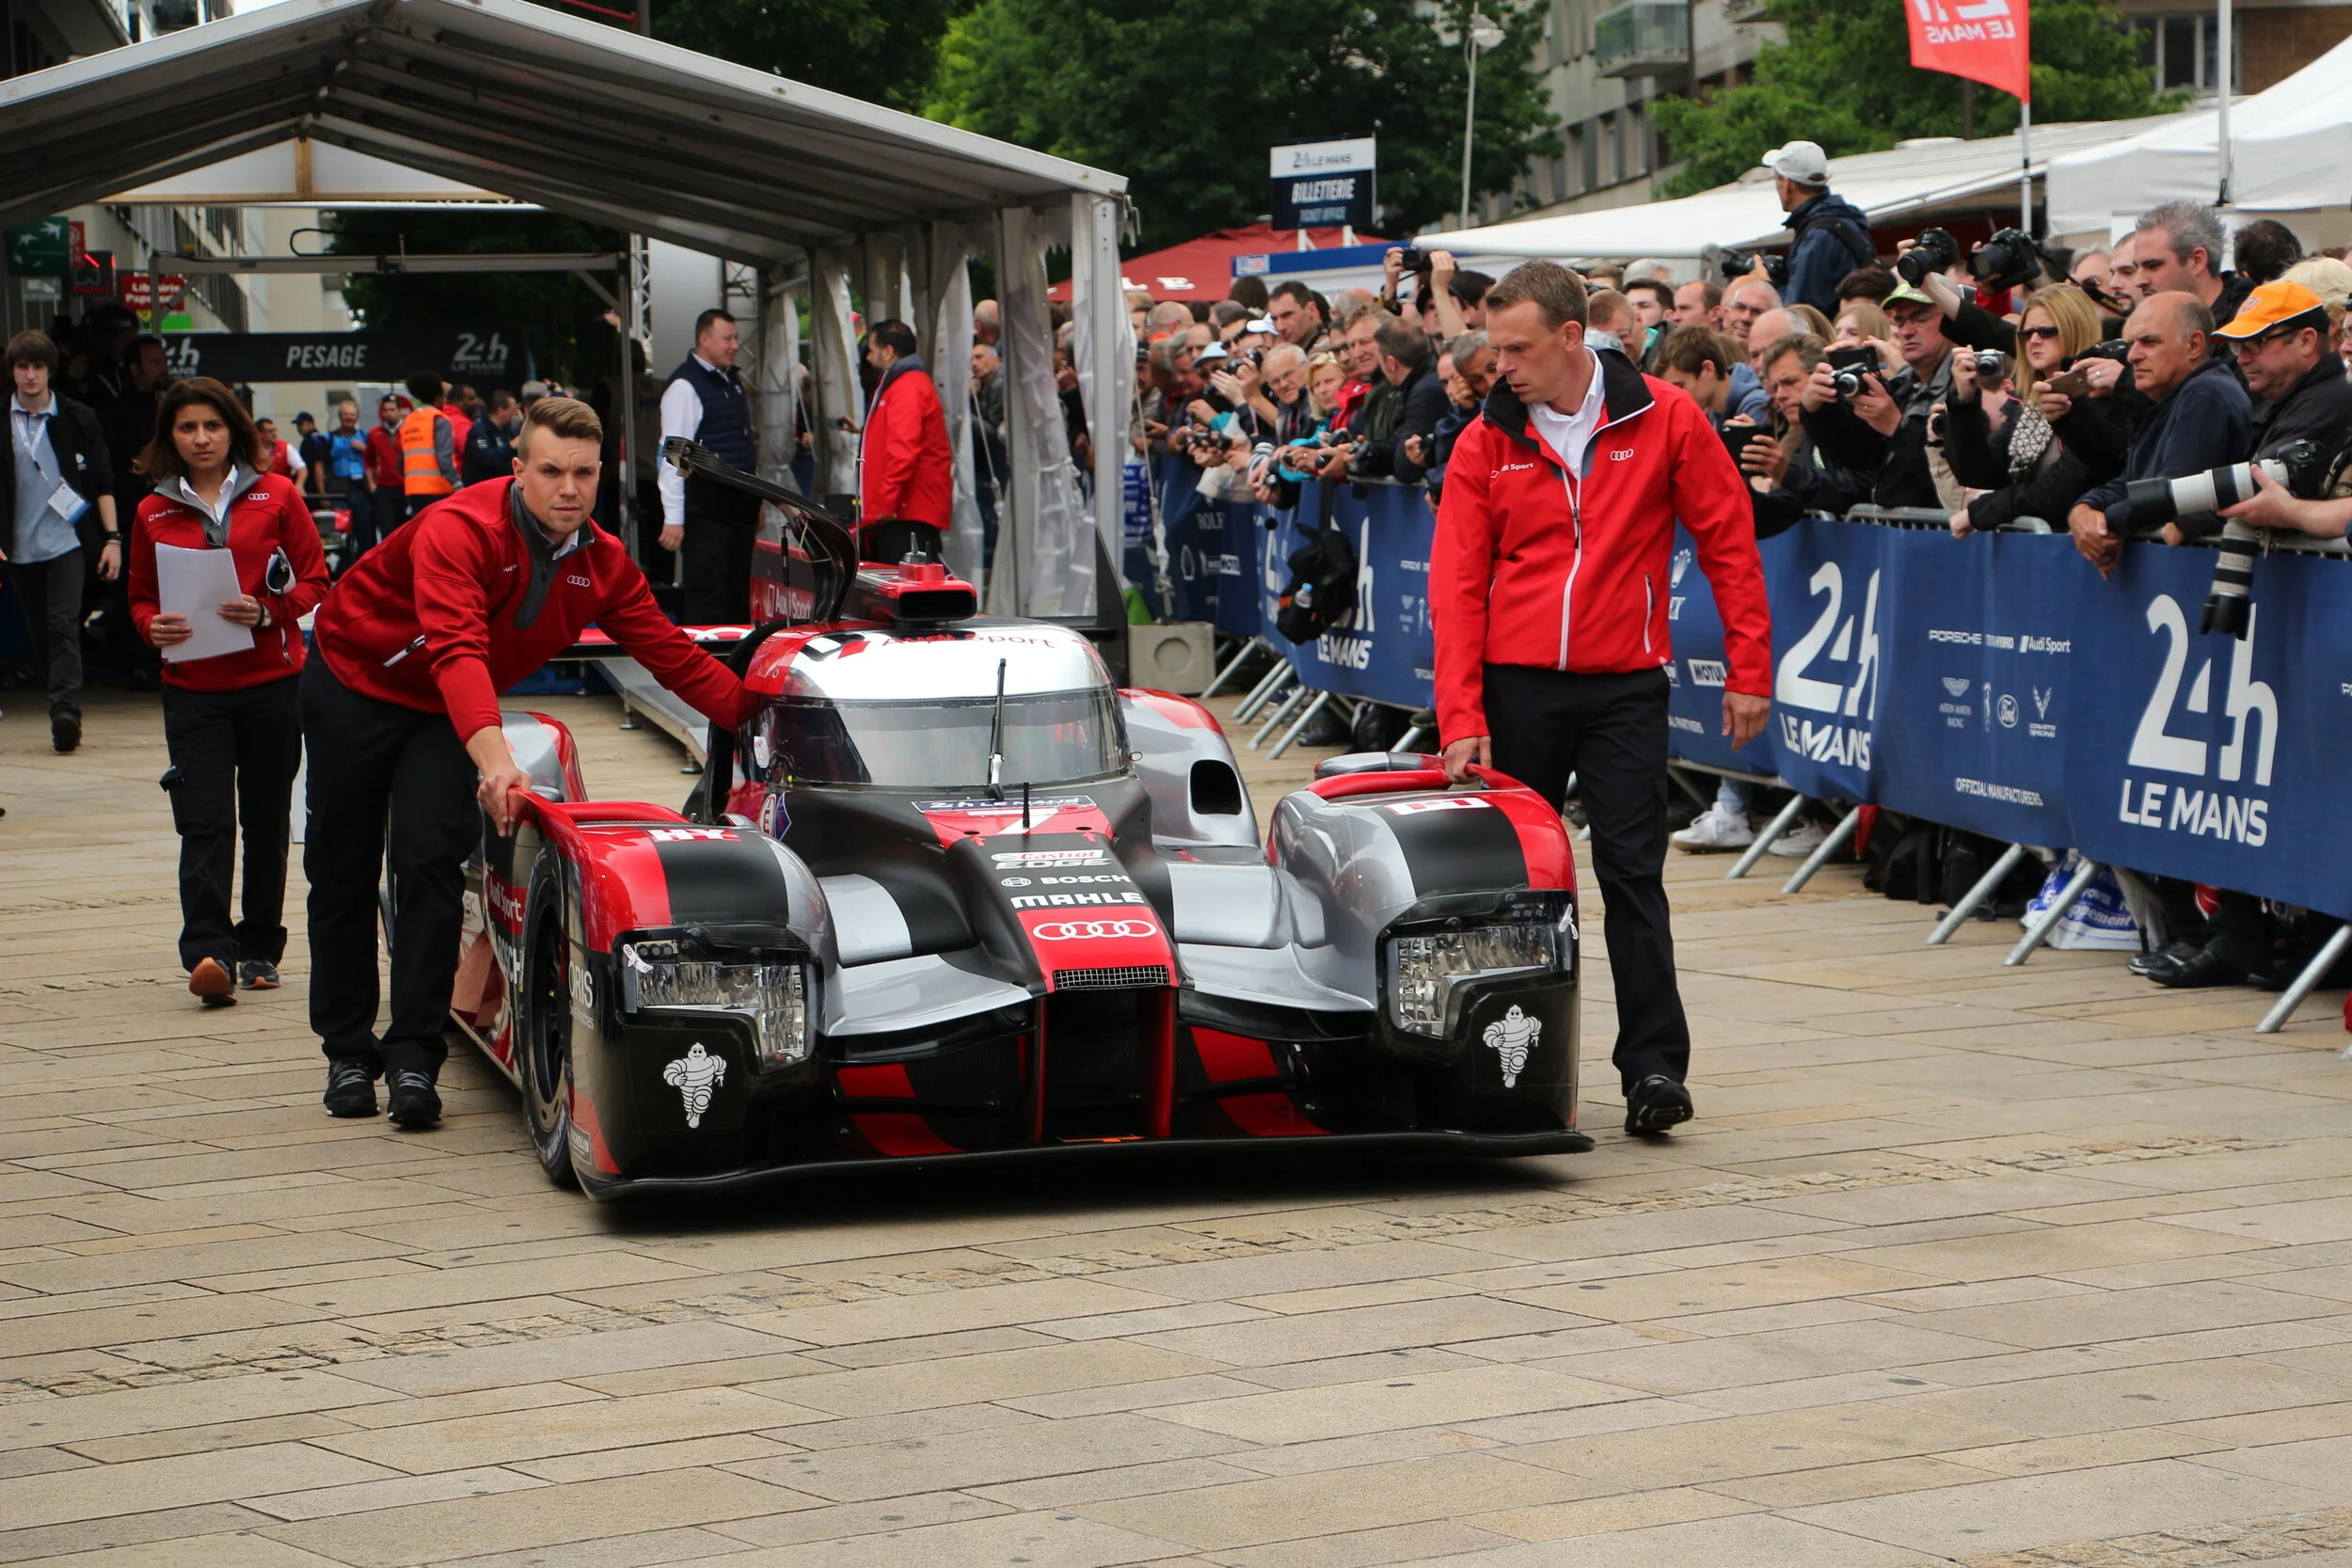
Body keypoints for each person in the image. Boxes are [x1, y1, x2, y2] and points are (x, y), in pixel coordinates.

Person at [301, 397, 758, 1127]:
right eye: (550, 471)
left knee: (427, 863)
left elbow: (671, 655)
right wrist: (495, 761)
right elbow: (456, 647)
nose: (568, 488)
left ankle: (415, 1056)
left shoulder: (603, 563)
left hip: (438, 712)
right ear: (519, 470)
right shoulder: (461, 529)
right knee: (342, 865)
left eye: (583, 472)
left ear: (601, 473)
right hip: (354, 679)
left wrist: (766, 714)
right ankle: (348, 1050)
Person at [1431, 261, 1772, 1137]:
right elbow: (1457, 585)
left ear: (1572, 336)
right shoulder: (1484, 438)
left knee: (1633, 876)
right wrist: (1461, 716)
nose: (1499, 365)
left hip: (1626, 682)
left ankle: (1654, 1069)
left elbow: (1729, 537)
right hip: (1518, 687)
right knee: (1516, 891)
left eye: (1518, 347)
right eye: (1493, 347)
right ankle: (1513, 1071)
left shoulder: (1666, 414)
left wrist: (1750, 669)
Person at [126, 378, 329, 1008]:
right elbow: (139, 596)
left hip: (272, 686)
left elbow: (317, 579)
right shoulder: (151, 511)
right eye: (186, 428)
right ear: (171, 438)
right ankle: (211, 951)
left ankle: (261, 944)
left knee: (265, 820)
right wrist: (147, 626)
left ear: (234, 430)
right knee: (204, 821)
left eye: (211, 426)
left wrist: (270, 612)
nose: (201, 438)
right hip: (192, 691)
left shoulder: (277, 496)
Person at [2067, 293, 2251, 575]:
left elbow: (2172, 496)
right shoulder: (2173, 397)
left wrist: (2105, 523)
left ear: (2194, 345)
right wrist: (2085, 509)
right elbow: (2135, 480)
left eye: (2149, 342)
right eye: (2131, 344)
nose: (2132, 356)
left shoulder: (2206, 394)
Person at [0, 330, 118, 753]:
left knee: (64, 624)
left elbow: (102, 481)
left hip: (68, 539)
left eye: (38, 367)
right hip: (17, 543)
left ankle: (65, 713)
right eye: (22, 367)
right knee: (41, 634)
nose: (30, 376)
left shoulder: (76, 417)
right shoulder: (3, 417)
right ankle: (57, 692)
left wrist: (112, 539)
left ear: (50, 371)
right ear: (12, 371)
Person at [1946, 283, 2120, 535]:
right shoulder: (2030, 404)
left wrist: (1982, 510)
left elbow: (2060, 490)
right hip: (2032, 548)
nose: (2034, 340)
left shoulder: (2101, 394)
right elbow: (1979, 473)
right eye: (2026, 334)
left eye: (2046, 331)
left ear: (2075, 328)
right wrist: (1964, 401)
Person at [1803, 280, 1957, 509]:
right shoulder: (1904, 386)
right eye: (1899, 320)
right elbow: (1859, 455)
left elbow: (1961, 474)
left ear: (1956, 320)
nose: (1906, 330)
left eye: (1921, 317)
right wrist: (1818, 408)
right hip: (1900, 534)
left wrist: (1897, 427)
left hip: (1950, 534)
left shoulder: (1971, 384)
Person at [657, 309, 761, 621]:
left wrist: (754, 504)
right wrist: (673, 517)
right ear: (705, 339)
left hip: (737, 512)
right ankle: (706, 666)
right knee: (709, 599)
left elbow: (742, 446)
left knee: (737, 595)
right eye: (727, 338)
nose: (734, 346)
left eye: (736, 339)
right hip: (708, 512)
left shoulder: (731, 381)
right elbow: (673, 455)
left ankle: (734, 666)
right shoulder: (685, 387)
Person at [98, 331, 170, 692]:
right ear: (135, 369)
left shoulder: (171, 408)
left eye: (164, 360)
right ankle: (138, 663)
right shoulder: (117, 414)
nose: (163, 368)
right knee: (135, 590)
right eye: (154, 362)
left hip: (173, 515)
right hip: (132, 516)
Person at [858, 318, 952, 556]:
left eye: (871, 350)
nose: (868, 357)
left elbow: (903, 449)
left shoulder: (906, 387)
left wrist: (884, 504)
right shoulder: (906, 384)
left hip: (906, 513)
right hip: (905, 511)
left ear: (888, 352)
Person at [1761, 140, 1876, 314]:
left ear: (1788, 184)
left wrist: (1765, 285)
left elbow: (1799, 310)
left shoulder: (1818, 236)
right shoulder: (1845, 219)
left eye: (1777, 179)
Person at [2133, 201, 2253, 337]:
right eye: (2135, 268)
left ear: (2197, 261)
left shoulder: (2249, 327)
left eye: (2153, 266)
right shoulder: (2147, 326)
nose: (2139, 281)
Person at [1655, 325, 1770, 429]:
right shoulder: (1711, 409)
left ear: (1708, 369)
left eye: (1679, 387)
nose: (1675, 399)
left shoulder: (1757, 404)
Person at [397, 375, 458, 519]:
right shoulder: (439, 419)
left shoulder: (409, 420)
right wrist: (457, 484)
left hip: (412, 490)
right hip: (437, 489)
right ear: (437, 398)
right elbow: (444, 458)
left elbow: (401, 463)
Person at [325, 400, 373, 552]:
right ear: (339, 416)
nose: (348, 417)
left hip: (361, 490)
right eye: (345, 414)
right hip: (338, 491)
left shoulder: (365, 436)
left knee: (366, 531)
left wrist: (364, 448)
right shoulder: (328, 438)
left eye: (351, 414)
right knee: (340, 532)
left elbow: (377, 458)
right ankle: (341, 568)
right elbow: (319, 466)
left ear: (357, 417)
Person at [364, 395, 406, 542]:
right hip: (384, 489)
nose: (388, 413)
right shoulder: (374, 433)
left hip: (405, 488)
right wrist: (371, 485)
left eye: (392, 409)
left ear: (399, 411)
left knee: (406, 529)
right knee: (387, 532)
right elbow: (368, 460)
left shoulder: (408, 431)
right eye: (385, 410)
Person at [462, 388, 522, 485]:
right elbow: (485, 459)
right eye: (512, 410)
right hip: (481, 487)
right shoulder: (480, 429)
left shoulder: (505, 429)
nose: (514, 413)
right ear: (500, 410)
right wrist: (510, 446)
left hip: (501, 485)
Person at [1268, 281, 1329, 353]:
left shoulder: (1328, 350)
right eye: (1274, 319)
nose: (1280, 327)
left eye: (1287, 315)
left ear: (1312, 309)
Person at [256, 418, 305, 485]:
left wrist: (299, 485)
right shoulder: (251, 450)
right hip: (259, 490)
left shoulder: (285, 447)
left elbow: (302, 469)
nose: (274, 434)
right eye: (270, 431)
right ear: (259, 434)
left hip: (282, 488)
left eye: (275, 430)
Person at [294, 412, 332, 498]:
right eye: (298, 425)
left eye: (301, 424)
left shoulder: (316, 440)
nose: (299, 428)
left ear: (311, 424)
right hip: (310, 487)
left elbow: (319, 466)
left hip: (316, 489)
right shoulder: (308, 440)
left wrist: (322, 494)